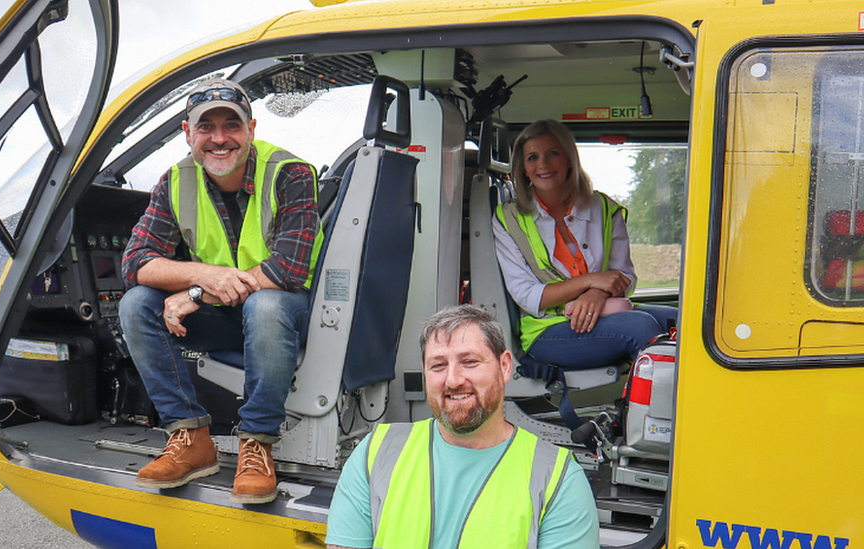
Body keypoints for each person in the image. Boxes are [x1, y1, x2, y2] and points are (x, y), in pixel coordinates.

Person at [119, 77, 323, 504]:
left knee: (265, 306)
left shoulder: (291, 173)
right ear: (187, 133)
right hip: (231, 317)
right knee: (137, 304)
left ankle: (257, 444)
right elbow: (135, 262)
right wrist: (204, 275)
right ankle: (190, 437)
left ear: (251, 129)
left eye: (231, 125)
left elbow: (287, 269)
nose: (219, 138)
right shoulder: (174, 181)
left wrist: (197, 293)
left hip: (288, 316)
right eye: (205, 127)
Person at [325, 305, 599, 549]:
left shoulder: (557, 478)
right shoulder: (376, 453)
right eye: (438, 365)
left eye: (469, 361)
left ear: (504, 366)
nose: (453, 380)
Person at [492, 119, 676, 373]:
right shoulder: (508, 219)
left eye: (552, 154)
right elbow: (527, 296)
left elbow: (626, 278)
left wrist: (597, 293)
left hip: (603, 311)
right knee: (641, 328)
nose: (543, 164)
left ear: (569, 159)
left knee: (682, 322)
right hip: (547, 329)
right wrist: (590, 282)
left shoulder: (603, 207)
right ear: (523, 169)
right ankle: (661, 412)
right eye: (532, 158)